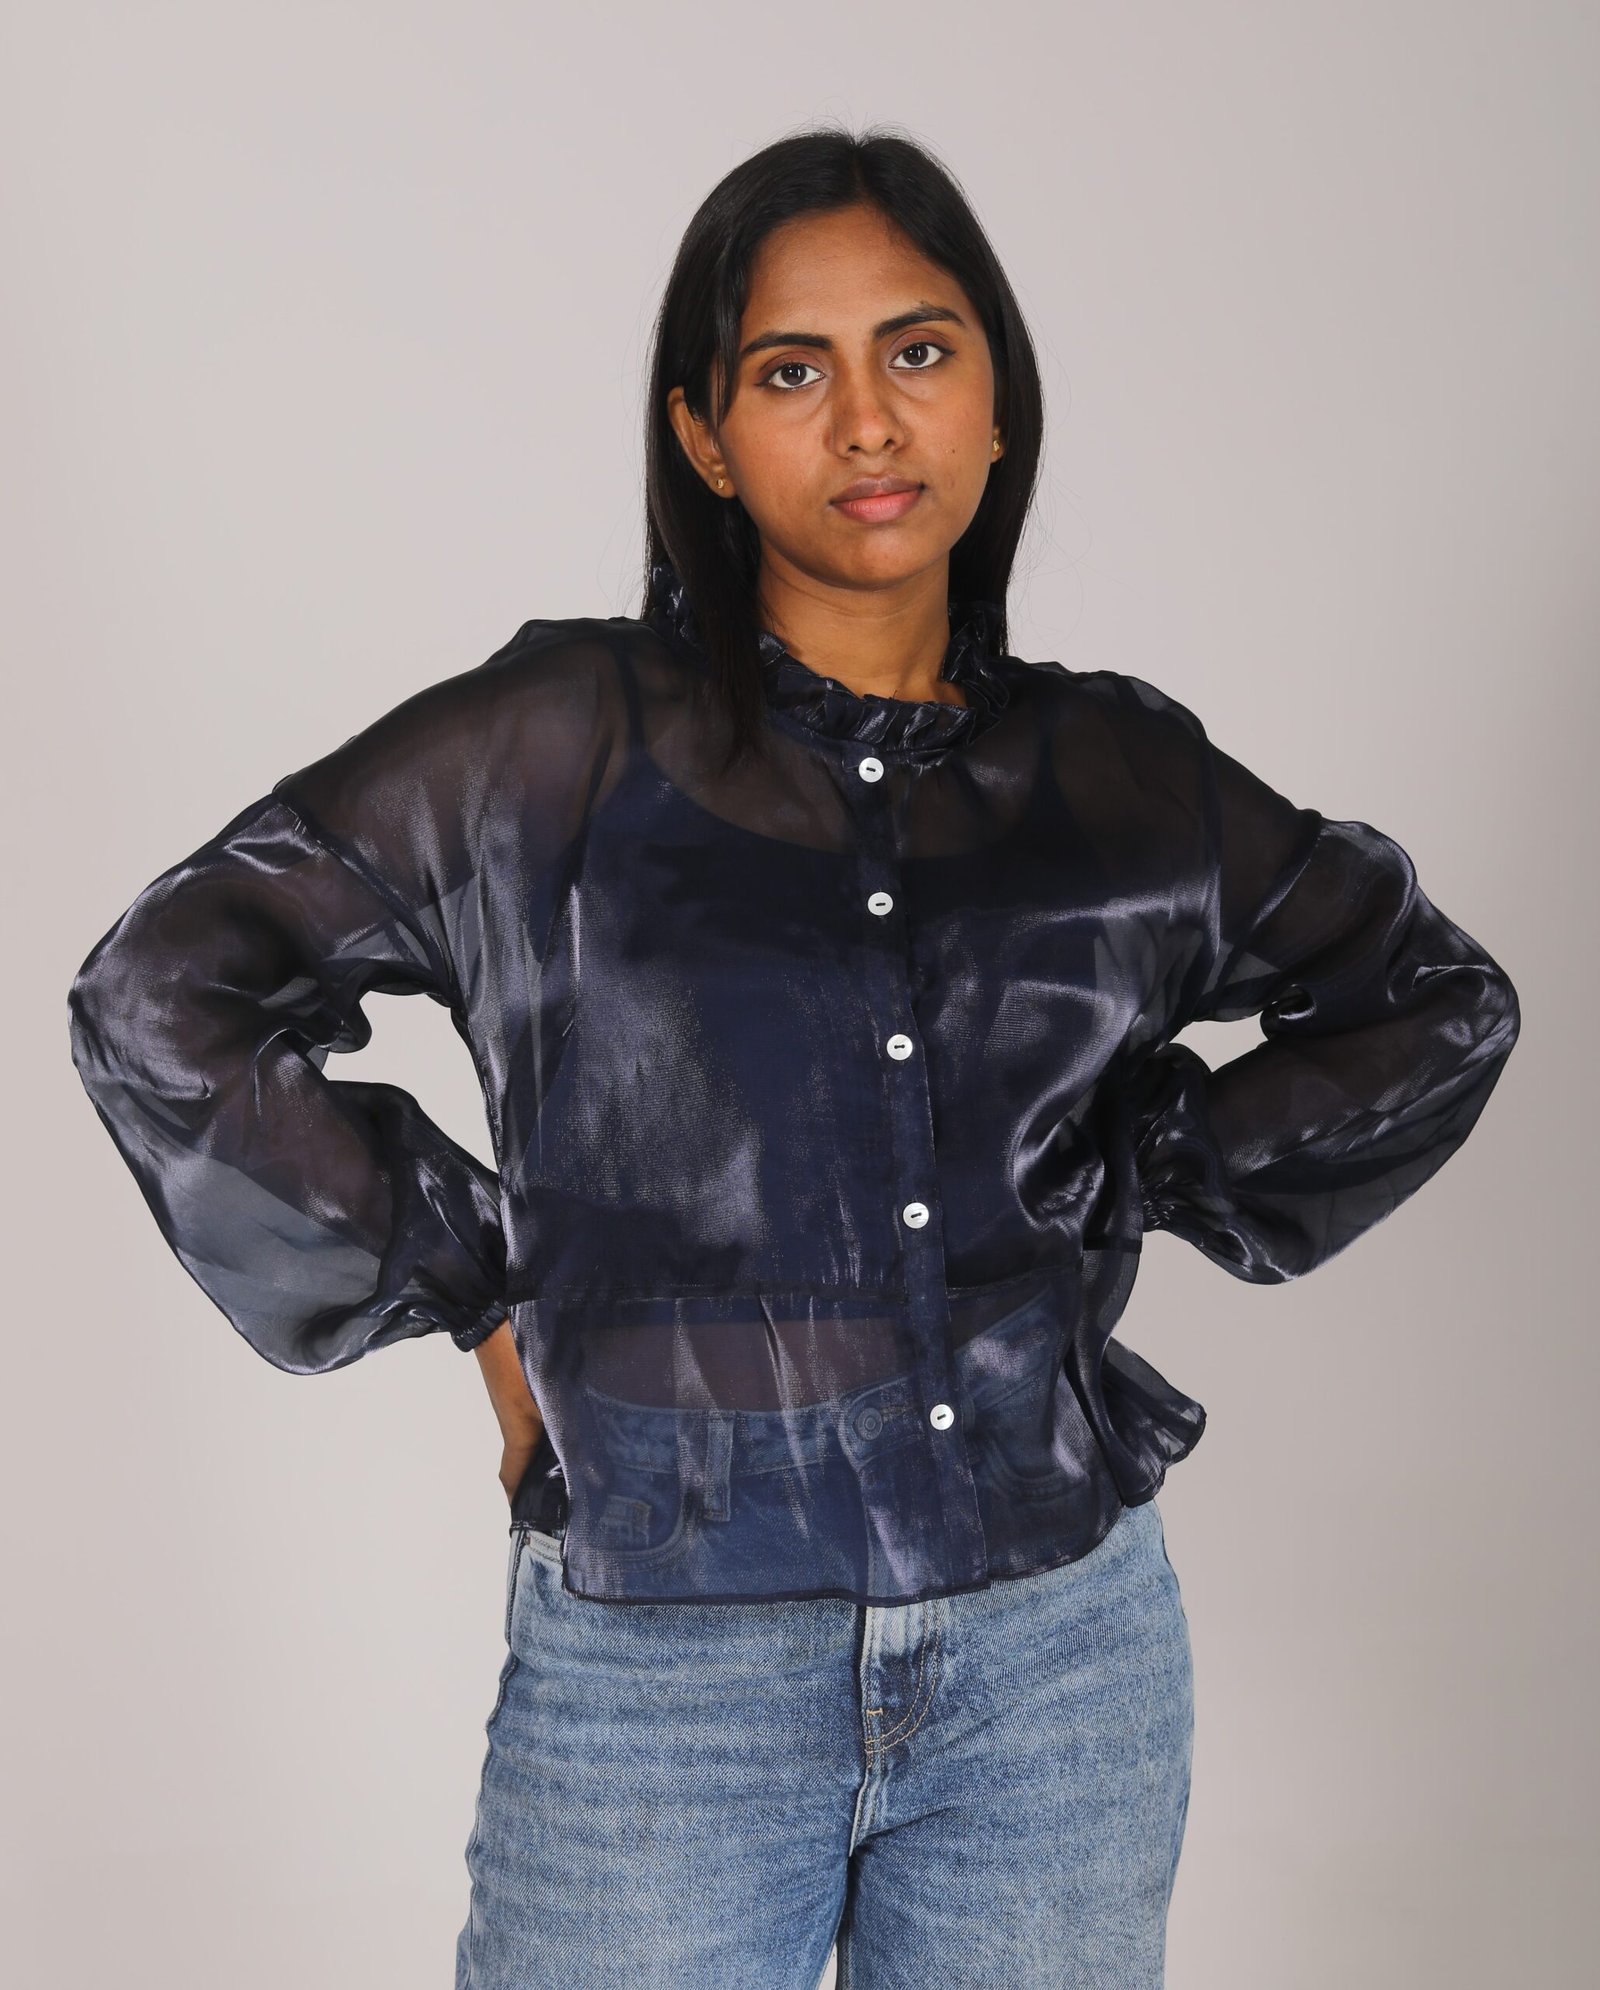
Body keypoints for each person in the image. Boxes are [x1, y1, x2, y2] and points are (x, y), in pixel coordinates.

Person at [66, 127, 1521, 1990]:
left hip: (1057, 1669)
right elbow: (165, 993)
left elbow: (1432, 1001)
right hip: (666, 1688)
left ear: (996, 397)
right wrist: (476, 1286)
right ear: (703, 434)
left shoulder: (1122, 783)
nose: (867, 422)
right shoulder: (547, 754)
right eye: (789, 370)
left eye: (917, 351)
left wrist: (1145, 1162)